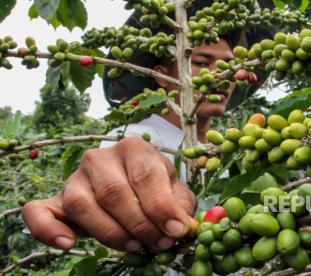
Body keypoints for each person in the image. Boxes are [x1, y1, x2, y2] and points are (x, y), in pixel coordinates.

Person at [21, 5, 273, 253]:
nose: (221, 75)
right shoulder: (136, 138)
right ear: (162, 76)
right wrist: (94, 188)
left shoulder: (231, 147)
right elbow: (116, 162)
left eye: (228, 65)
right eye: (201, 63)